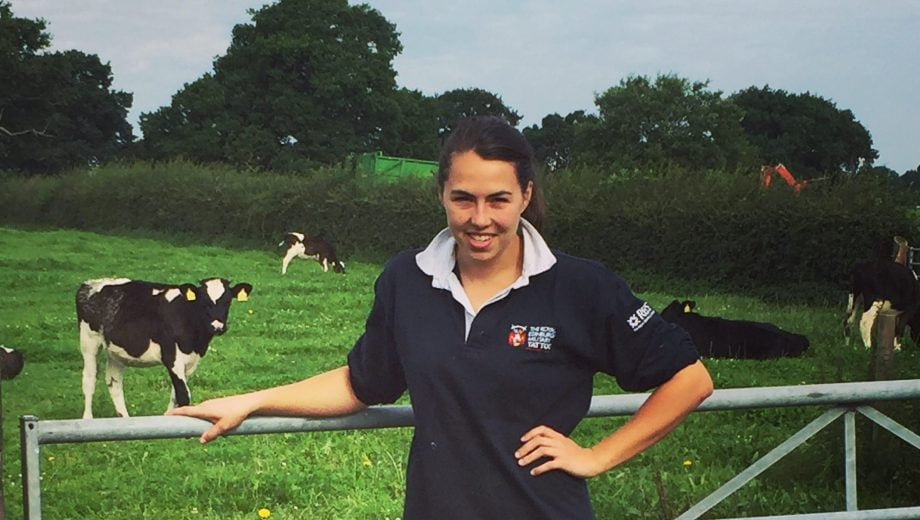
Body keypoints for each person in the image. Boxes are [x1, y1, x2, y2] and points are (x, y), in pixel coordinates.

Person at [167, 115, 714, 519]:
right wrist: (254, 400)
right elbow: (364, 382)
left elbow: (689, 379)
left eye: (498, 200)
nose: (480, 219)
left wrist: (596, 456)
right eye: (463, 199)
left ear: (526, 196)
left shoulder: (581, 286)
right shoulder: (407, 280)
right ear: (442, 196)